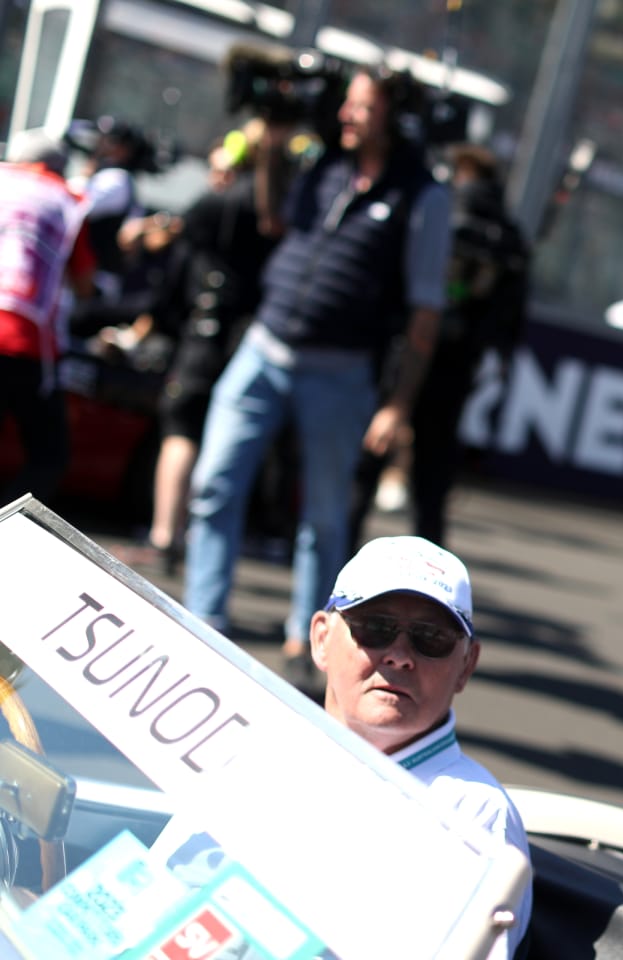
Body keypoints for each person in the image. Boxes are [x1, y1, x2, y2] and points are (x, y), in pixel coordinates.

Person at [183, 64, 451, 690]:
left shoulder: (423, 194)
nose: (346, 116)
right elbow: (275, 221)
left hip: (341, 371)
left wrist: (398, 405)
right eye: (348, 105)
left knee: (325, 517)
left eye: (362, 107)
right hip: (263, 347)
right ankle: (202, 619)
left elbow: (426, 308)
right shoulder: (324, 163)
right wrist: (271, 147)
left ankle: (309, 638)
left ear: (396, 118)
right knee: (215, 483)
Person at [153, 535, 532, 957]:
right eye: (376, 629)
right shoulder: (251, 748)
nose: (400, 656)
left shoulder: (474, 817)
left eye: (431, 638)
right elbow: (151, 898)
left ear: (466, 666)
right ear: (320, 639)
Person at [349, 142, 530, 550]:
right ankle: (431, 586)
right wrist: (497, 352)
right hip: (459, 365)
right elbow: (513, 308)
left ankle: (342, 568)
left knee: (367, 466)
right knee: (432, 484)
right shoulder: (509, 234)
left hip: (408, 354)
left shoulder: (439, 212)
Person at [129, 121, 285, 572]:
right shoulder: (276, 211)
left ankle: (165, 538)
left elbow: (168, 245)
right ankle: (199, 543)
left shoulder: (219, 207)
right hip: (251, 341)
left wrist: (146, 232)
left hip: (209, 335)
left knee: (182, 432)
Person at [0, 132, 97, 505]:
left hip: (24, 343)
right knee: (49, 456)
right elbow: (85, 283)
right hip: (27, 347)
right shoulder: (65, 200)